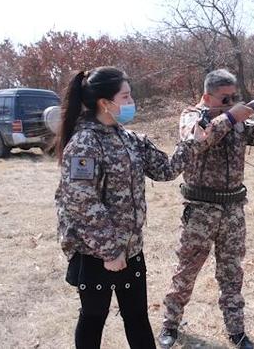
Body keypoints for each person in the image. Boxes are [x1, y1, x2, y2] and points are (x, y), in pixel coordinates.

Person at [158, 69, 254, 349]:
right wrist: (231, 116)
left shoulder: (239, 120)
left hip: (233, 209)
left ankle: (237, 332)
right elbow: (198, 140)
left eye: (235, 97)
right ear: (207, 96)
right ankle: (170, 325)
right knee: (186, 271)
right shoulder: (191, 116)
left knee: (232, 273)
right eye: (225, 98)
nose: (232, 101)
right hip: (200, 209)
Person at [55, 66, 192, 349]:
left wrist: (191, 144)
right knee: (93, 318)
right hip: (96, 252)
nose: (131, 103)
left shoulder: (130, 138)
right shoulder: (84, 143)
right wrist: (110, 251)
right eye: (126, 97)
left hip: (130, 248)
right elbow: (81, 201)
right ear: (106, 103)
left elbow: (165, 170)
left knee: (137, 317)